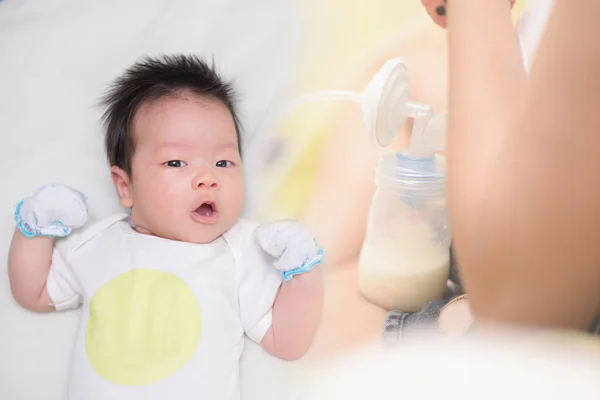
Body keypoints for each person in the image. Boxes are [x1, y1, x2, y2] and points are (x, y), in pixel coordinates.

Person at [7, 55, 324, 400]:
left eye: (223, 162)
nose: (208, 178)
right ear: (125, 186)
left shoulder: (241, 251)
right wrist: (35, 230)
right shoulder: (100, 243)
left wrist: (303, 276)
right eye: (176, 162)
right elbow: (34, 292)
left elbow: (287, 343)